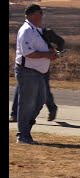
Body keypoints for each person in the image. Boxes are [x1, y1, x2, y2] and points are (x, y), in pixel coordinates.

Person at [14, 4, 58, 144]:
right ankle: (23, 135)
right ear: (34, 14)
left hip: (39, 72)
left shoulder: (36, 30)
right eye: (40, 13)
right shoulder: (26, 30)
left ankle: (26, 129)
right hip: (27, 73)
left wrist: (51, 53)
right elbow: (29, 53)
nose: (42, 17)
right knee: (27, 104)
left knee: (40, 101)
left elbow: (39, 49)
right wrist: (47, 55)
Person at [9, 26, 65, 122]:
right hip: (26, 67)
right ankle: (15, 114)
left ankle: (52, 108)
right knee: (20, 87)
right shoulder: (26, 32)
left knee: (44, 90)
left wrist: (57, 53)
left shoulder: (46, 32)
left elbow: (61, 42)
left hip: (41, 66)